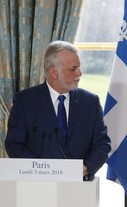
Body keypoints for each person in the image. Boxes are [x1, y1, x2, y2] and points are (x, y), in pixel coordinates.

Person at [5, 40, 111, 180]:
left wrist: (86, 168)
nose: (79, 73)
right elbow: (14, 144)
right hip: (36, 186)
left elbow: (102, 144)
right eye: (73, 69)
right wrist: (40, 171)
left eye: (79, 67)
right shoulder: (25, 101)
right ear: (53, 72)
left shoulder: (91, 102)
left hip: (80, 187)